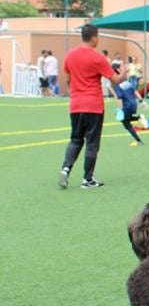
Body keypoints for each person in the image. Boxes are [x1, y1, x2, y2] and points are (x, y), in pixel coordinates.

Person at [57, 25, 123, 189]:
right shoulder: (97, 57)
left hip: (76, 105)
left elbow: (67, 79)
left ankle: (66, 169)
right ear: (94, 37)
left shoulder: (70, 55)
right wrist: (124, 72)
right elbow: (115, 80)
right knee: (92, 143)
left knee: (75, 139)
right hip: (93, 105)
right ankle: (87, 179)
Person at [112, 65, 143, 146]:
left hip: (127, 106)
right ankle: (138, 117)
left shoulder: (117, 86)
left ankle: (139, 140)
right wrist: (141, 100)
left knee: (126, 123)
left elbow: (119, 99)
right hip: (134, 105)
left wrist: (119, 110)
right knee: (127, 120)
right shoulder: (127, 83)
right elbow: (135, 91)